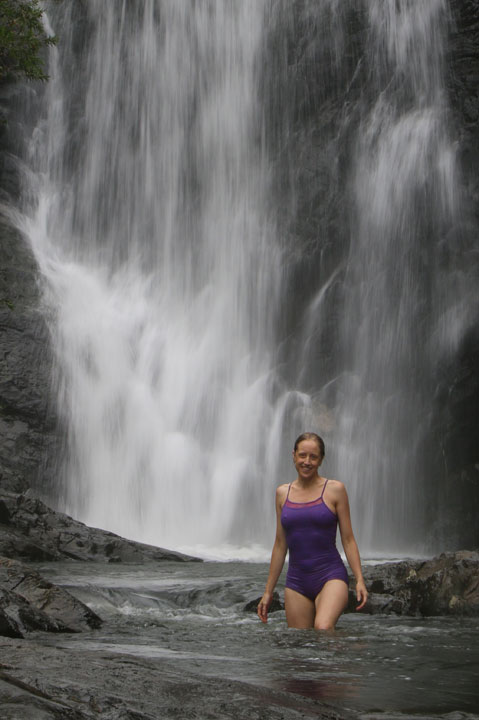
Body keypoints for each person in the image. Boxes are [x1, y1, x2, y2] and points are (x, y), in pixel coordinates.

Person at [257, 432, 368, 630]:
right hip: (297, 581)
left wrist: (359, 579)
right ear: (293, 456)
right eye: (302, 455)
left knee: (323, 627)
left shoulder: (335, 490)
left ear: (321, 459)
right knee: (301, 646)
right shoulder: (283, 493)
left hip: (330, 575)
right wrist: (268, 592)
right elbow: (280, 544)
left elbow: (348, 539)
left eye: (313, 457)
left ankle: (345, 659)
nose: (307, 462)